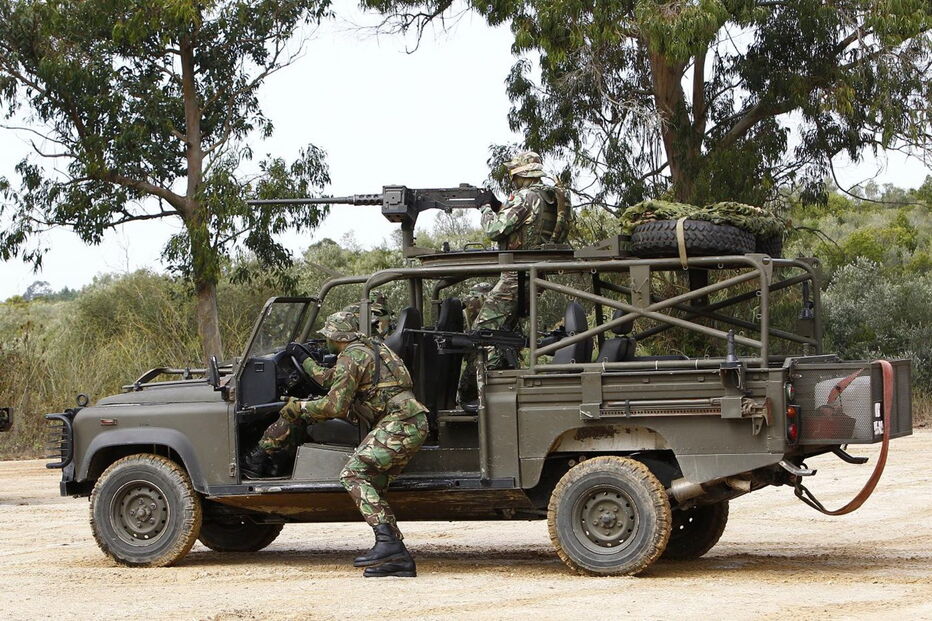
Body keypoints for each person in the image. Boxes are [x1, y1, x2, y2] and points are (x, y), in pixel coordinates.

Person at [243, 311, 429, 578]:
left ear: (336, 338)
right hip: (406, 420)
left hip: (401, 422)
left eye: (327, 336)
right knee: (373, 484)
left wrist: (298, 406)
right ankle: (396, 556)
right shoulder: (368, 348)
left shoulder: (352, 356)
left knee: (353, 474)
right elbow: (333, 379)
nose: (326, 340)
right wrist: (305, 360)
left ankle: (390, 545)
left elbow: (334, 405)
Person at [458, 151, 572, 408]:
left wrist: (486, 207)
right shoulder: (554, 196)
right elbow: (529, 225)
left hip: (516, 275)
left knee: (481, 335)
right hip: (536, 275)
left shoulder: (525, 196)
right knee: (505, 335)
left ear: (522, 174)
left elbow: (494, 230)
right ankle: (507, 387)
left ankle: (471, 399)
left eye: (514, 174)